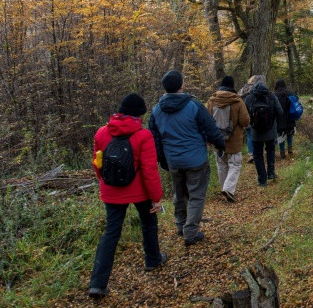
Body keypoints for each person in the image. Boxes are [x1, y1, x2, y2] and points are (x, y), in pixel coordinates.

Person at [88, 93, 166, 299]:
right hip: (140, 190)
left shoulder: (101, 133)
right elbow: (150, 170)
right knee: (148, 222)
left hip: (111, 191)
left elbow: (98, 164)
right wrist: (156, 198)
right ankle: (152, 259)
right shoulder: (143, 135)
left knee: (111, 233)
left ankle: (97, 283)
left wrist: (104, 182)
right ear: (139, 114)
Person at [149, 70, 224, 246]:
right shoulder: (194, 106)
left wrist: (163, 160)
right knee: (196, 195)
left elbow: (155, 139)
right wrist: (221, 145)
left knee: (179, 193)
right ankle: (190, 231)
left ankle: (180, 225)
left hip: (173, 160)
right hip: (195, 159)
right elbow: (211, 130)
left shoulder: (156, 110)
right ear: (181, 85)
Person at [206, 75, 250, 202]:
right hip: (234, 139)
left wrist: (209, 137)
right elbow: (245, 121)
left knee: (221, 165)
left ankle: (225, 188)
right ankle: (228, 189)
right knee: (235, 164)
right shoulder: (237, 101)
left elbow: (206, 121)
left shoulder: (211, 100)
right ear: (232, 86)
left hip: (217, 139)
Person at [244, 81, 283, 186]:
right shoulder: (272, 96)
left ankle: (262, 180)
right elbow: (280, 112)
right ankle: (271, 173)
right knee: (270, 151)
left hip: (256, 132)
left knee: (257, 155)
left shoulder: (249, 98)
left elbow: (245, 114)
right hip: (270, 131)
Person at [238, 75, 265, 163]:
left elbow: (238, 99)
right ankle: (258, 153)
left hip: (246, 115)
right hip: (257, 116)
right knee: (258, 134)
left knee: (249, 135)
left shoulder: (242, 89)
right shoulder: (258, 88)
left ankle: (250, 154)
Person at [273, 79, 297, 158]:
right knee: (290, 132)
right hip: (290, 116)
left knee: (280, 134)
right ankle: (290, 148)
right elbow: (296, 100)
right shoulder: (290, 93)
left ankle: (282, 151)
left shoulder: (275, 95)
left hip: (279, 118)